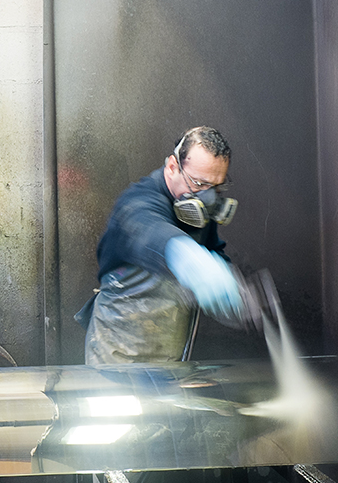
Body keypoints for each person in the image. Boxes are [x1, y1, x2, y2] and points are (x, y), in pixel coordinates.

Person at [75, 126, 245, 366]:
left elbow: (212, 250)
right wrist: (186, 258)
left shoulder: (200, 210)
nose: (208, 198)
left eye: (215, 187)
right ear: (173, 167)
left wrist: (230, 278)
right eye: (199, 183)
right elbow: (147, 230)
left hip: (170, 355)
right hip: (116, 356)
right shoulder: (137, 202)